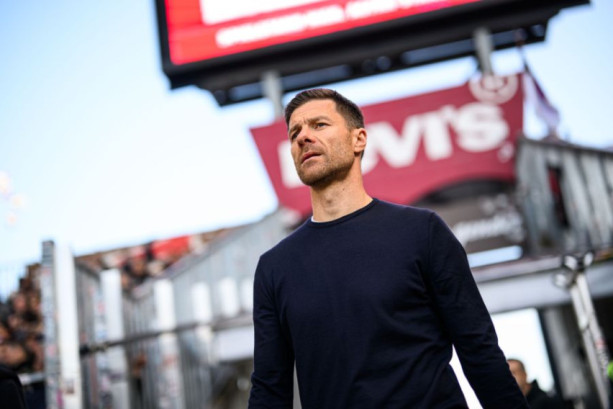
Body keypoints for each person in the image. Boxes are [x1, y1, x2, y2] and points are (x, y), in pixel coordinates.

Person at [248, 88, 528, 408]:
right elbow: (269, 388)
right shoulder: (275, 268)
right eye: (294, 132)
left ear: (359, 139)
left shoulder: (422, 231)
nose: (303, 137)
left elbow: (479, 349)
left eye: (319, 125)